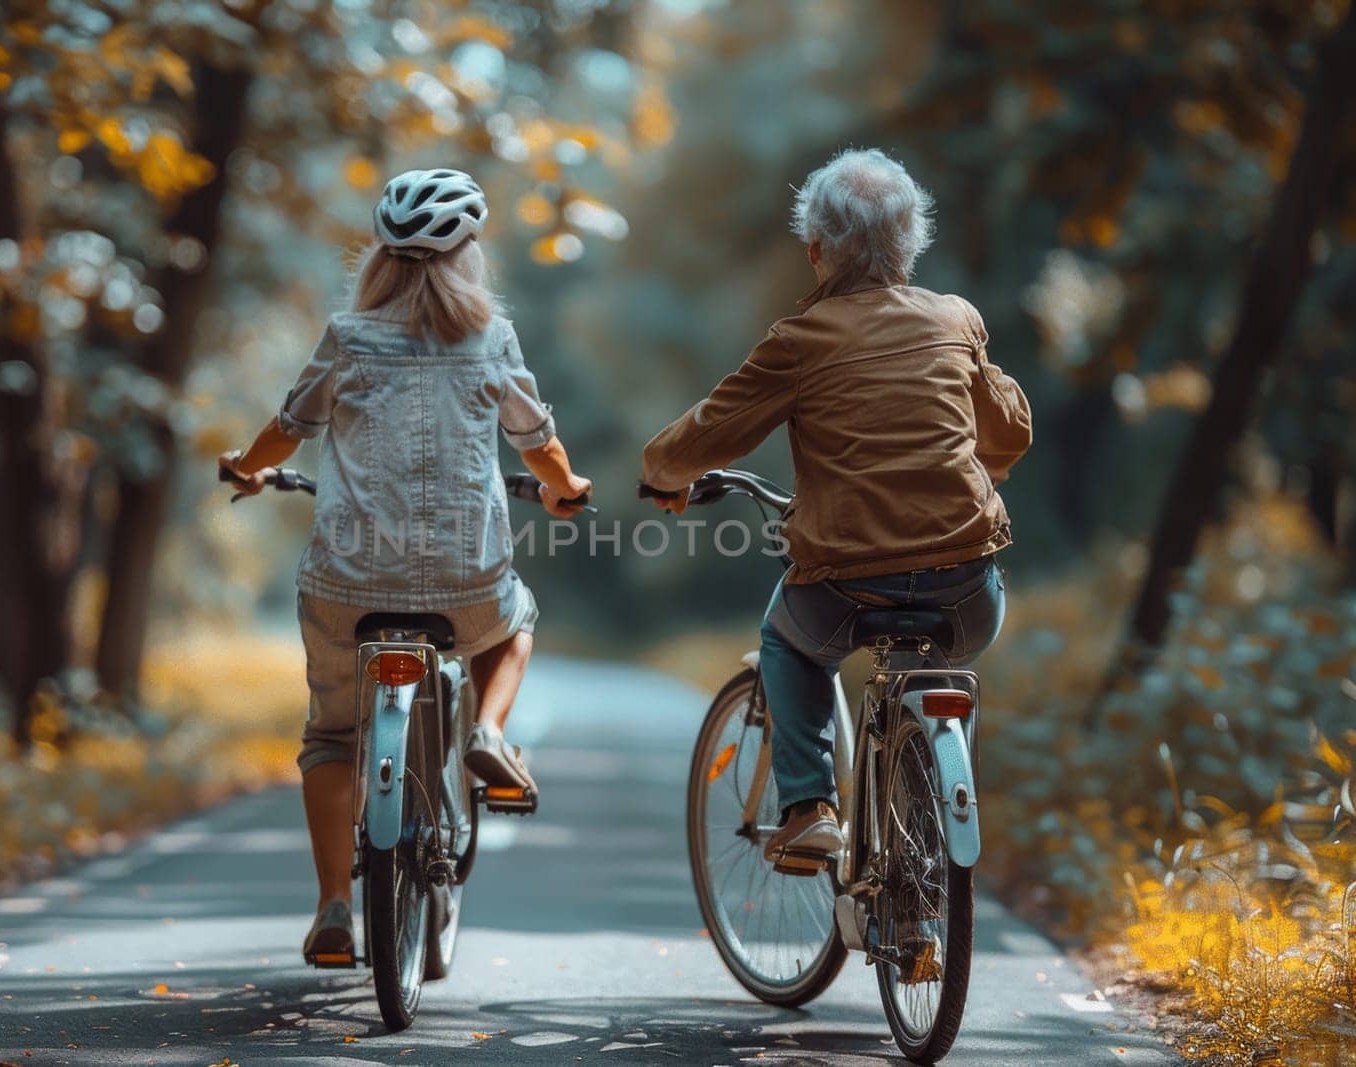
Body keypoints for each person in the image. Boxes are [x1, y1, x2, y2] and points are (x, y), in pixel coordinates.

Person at [221, 168, 592, 959]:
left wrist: (249, 468)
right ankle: (489, 732)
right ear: (469, 257)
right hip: (467, 584)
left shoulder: (348, 337)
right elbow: (539, 441)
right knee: (516, 616)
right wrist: (566, 487)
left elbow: (287, 428)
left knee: (330, 733)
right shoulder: (491, 338)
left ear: (380, 261)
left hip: (346, 587)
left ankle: (332, 908)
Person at [639, 148, 1031, 875]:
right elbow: (1007, 432)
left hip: (845, 588)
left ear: (816, 250)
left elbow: (710, 430)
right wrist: (971, 473)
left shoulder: (801, 341)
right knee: (937, 656)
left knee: (786, 639)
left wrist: (662, 471)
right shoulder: (955, 320)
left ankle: (809, 807)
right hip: (968, 593)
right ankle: (922, 825)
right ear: (912, 241)